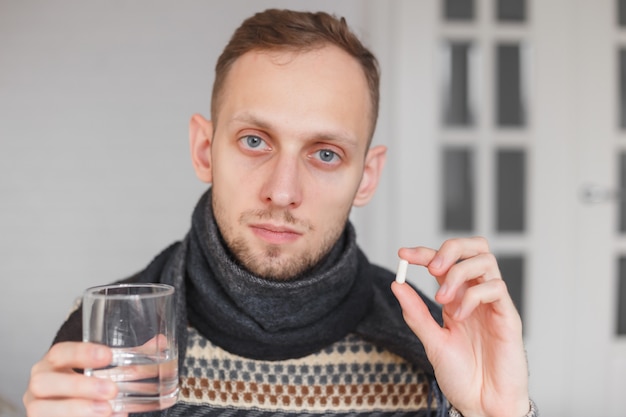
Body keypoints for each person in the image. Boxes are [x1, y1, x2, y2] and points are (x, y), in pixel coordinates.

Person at [23, 8, 536, 417]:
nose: (282, 191)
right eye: (254, 140)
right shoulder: (105, 341)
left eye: (326, 153)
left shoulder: (434, 351)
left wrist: (500, 416)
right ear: (205, 150)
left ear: (368, 176)